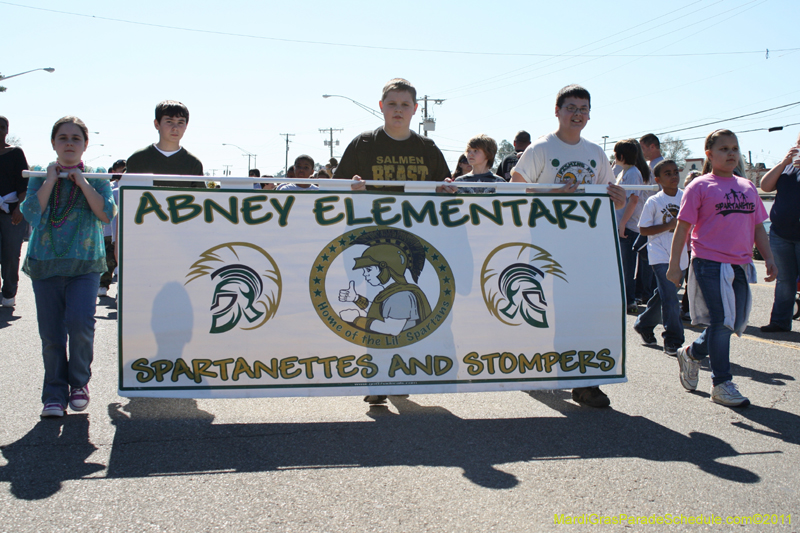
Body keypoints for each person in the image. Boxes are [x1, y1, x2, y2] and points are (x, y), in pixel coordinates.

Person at [510, 84, 626, 409]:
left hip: (588, 247)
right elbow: (513, 192)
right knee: (555, 312)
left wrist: (617, 198)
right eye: (571, 108)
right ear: (557, 111)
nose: (578, 114)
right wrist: (552, 194)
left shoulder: (595, 153)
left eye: (583, 109)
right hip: (548, 245)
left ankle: (585, 382)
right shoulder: (540, 149)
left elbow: (608, 194)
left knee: (587, 312)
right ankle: (540, 367)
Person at [667, 129, 776, 408]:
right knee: (721, 320)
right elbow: (682, 228)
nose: (730, 153)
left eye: (734, 148)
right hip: (708, 262)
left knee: (734, 321)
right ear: (710, 154)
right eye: (724, 148)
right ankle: (722, 383)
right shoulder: (700, 186)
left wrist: (770, 258)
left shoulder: (747, 187)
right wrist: (675, 266)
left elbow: (757, 228)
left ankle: (691, 353)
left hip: (740, 263)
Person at [21, 116, 116, 417]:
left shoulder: (99, 175)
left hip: (85, 265)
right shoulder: (38, 172)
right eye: (63, 138)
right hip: (45, 264)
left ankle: (79, 384)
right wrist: (51, 179)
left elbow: (105, 214)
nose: (69, 143)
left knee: (80, 324)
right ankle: (53, 393)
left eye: (76, 138)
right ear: (53, 143)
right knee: (51, 334)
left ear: (85, 144)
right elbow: (31, 214)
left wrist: (82, 181)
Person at [334, 78, 453, 193]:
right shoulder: (362, 144)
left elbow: (445, 194)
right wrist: (350, 188)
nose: (398, 109)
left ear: (415, 108)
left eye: (405, 104)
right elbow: (334, 188)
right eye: (392, 103)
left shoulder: (428, 148)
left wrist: (444, 190)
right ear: (381, 106)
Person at [634, 160, 687, 356]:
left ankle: (644, 323)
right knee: (671, 298)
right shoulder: (654, 201)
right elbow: (643, 229)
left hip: (681, 253)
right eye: (667, 174)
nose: (673, 176)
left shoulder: (686, 197)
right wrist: (669, 226)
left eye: (675, 172)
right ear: (658, 179)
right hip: (659, 253)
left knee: (665, 295)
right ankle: (673, 339)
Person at [758, 133, 800, 333]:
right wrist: (784, 162)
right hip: (781, 233)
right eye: (798, 142)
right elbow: (765, 186)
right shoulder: (788, 167)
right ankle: (780, 322)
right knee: (784, 280)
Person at [126, 100, 205, 188]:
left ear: (186, 126)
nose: (175, 128)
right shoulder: (138, 159)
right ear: (157, 124)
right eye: (169, 121)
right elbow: (128, 197)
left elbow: (200, 199)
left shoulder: (193, 163)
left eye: (180, 122)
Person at [614, 139, 650, 314]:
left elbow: (633, 199)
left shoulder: (633, 173)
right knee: (623, 266)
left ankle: (629, 301)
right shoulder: (625, 172)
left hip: (629, 226)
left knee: (628, 267)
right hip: (625, 225)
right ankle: (625, 298)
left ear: (621, 155)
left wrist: (622, 224)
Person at [0, 115, 29, 308]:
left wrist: (20, 207)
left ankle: (9, 292)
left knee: (10, 255)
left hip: (12, 212)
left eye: (2, 127)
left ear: (7, 130)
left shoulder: (16, 153)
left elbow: (25, 183)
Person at [98, 159, 125, 297]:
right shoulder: (111, 189)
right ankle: (103, 284)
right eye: (120, 170)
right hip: (110, 231)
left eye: (125, 170)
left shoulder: (134, 187)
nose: (122, 172)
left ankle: (122, 290)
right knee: (109, 261)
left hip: (125, 233)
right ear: (114, 172)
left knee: (125, 264)